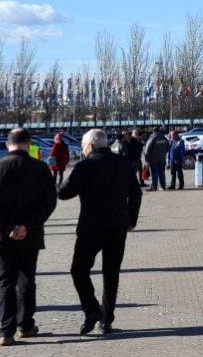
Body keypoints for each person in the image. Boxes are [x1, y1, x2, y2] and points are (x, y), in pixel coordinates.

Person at [0, 128, 58, 347]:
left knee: (4, 283)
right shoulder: (40, 169)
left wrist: (8, 227)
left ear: (7, 144)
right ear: (29, 143)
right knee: (26, 281)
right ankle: (26, 325)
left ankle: (6, 331)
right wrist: (27, 226)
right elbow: (49, 202)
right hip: (29, 236)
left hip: (0, 237)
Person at [58, 129, 141, 335]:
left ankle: (91, 309)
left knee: (79, 270)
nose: (83, 149)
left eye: (84, 146)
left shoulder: (85, 165)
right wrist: (131, 220)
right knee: (111, 273)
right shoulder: (123, 163)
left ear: (91, 146)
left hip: (91, 227)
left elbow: (64, 193)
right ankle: (106, 320)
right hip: (118, 226)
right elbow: (136, 193)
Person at [142, 127, 169, 192]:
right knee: (161, 173)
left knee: (154, 173)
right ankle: (163, 186)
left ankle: (154, 187)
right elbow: (167, 148)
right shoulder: (164, 138)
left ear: (153, 131)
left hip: (153, 159)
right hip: (162, 159)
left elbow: (146, 150)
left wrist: (146, 159)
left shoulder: (152, 138)